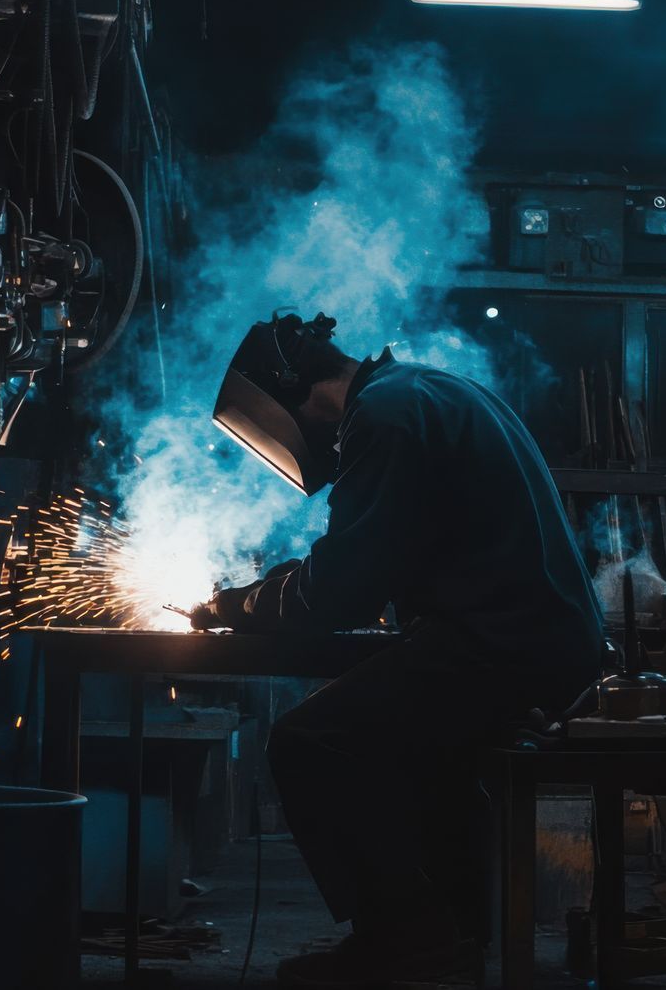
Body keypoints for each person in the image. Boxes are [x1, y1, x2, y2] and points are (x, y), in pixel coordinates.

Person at [188, 312, 604, 988]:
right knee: (416, 748)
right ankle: (454, 937)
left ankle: (406, 939)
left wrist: (237, 603)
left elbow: (338, 593)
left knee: (310, 742)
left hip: (500, 646)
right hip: (538, 640)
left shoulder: (384, 417)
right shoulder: (426, 390)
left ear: (294, 394)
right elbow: (382, 559)